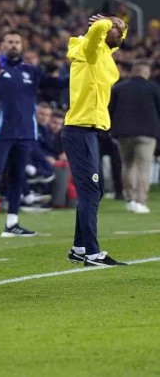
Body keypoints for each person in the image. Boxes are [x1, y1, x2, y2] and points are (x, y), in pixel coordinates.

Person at [0, 31, 68, 239]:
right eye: (10, 42)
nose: (14, 45)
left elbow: (57, 83)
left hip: (25, 133)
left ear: (22, 46)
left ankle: (12, 223)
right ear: (2, 45)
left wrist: (82, 70)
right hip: (0, 132)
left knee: (18, 177)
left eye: (17, 42)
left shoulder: (30, 70)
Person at [62, 14, 128, 266]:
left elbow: (116, 38)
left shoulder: (103, 53)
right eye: (116, 28)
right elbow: (100, 29)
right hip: (79, 130)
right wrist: (108, 22)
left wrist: (118, 24)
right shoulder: (89, 51)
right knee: (90, 190)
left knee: (95, 190)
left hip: (89, 131)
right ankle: (92, 253)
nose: (120, 32)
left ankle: (79, 248)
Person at [109, 60, 160, 214]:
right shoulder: (154, 88)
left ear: (132, 72)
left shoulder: (118, 88)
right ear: (146, 72)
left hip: (123, 134)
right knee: (143, 167)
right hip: (147, 134)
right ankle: (140, 201)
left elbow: (110, 110)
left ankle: (130, 200)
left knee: (127, 165)